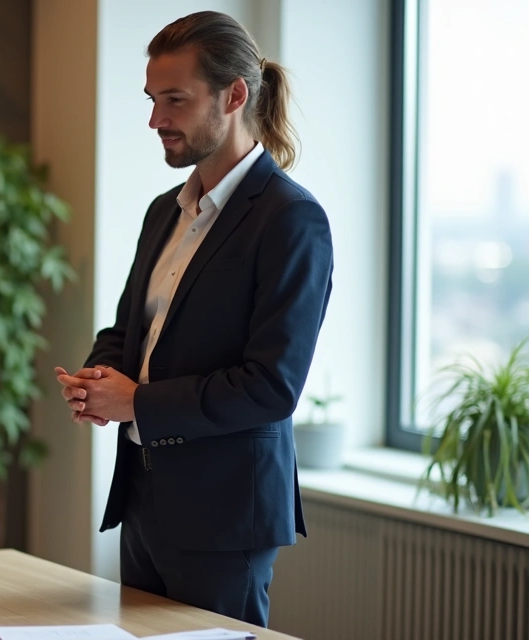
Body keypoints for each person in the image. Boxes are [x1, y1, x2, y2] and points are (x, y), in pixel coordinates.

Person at [53, 11, 333, 628]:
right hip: (144, 498)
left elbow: (271, 387)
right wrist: (100, 377)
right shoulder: (164, 212)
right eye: (153, 100)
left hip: (225, 516)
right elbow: (133, 330)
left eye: (175, 100)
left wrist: (139, 403)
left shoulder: (290, 219)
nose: (156, 120)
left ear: (235, 95)